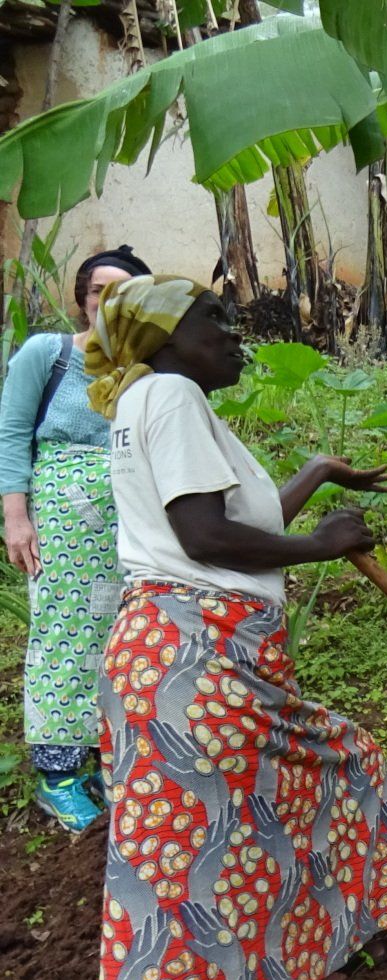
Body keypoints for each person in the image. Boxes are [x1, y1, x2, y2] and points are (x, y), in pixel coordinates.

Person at [76, 276, 387, 980]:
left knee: (304, 786)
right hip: (192, 661)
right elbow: (203, 538)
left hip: (186, 658)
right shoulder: (170, 396)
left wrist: (317, 475)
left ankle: (307, 957)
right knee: (168, 871)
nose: (235, 332)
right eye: (215, 319)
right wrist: (320, 546)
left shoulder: (157, 401)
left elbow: (228, 522)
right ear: (166, 337)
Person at [0, 245, 151, 831]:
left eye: (124, 292)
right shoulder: (51, 354)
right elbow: (13, 432)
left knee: (123, 635)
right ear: (83, 300)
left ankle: (106, 761)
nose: (109, 302)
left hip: (130, 515)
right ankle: (58, 775)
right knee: (65, 633)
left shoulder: (147, 368)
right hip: (65, 515)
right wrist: (16, 517)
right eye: (98, 291)